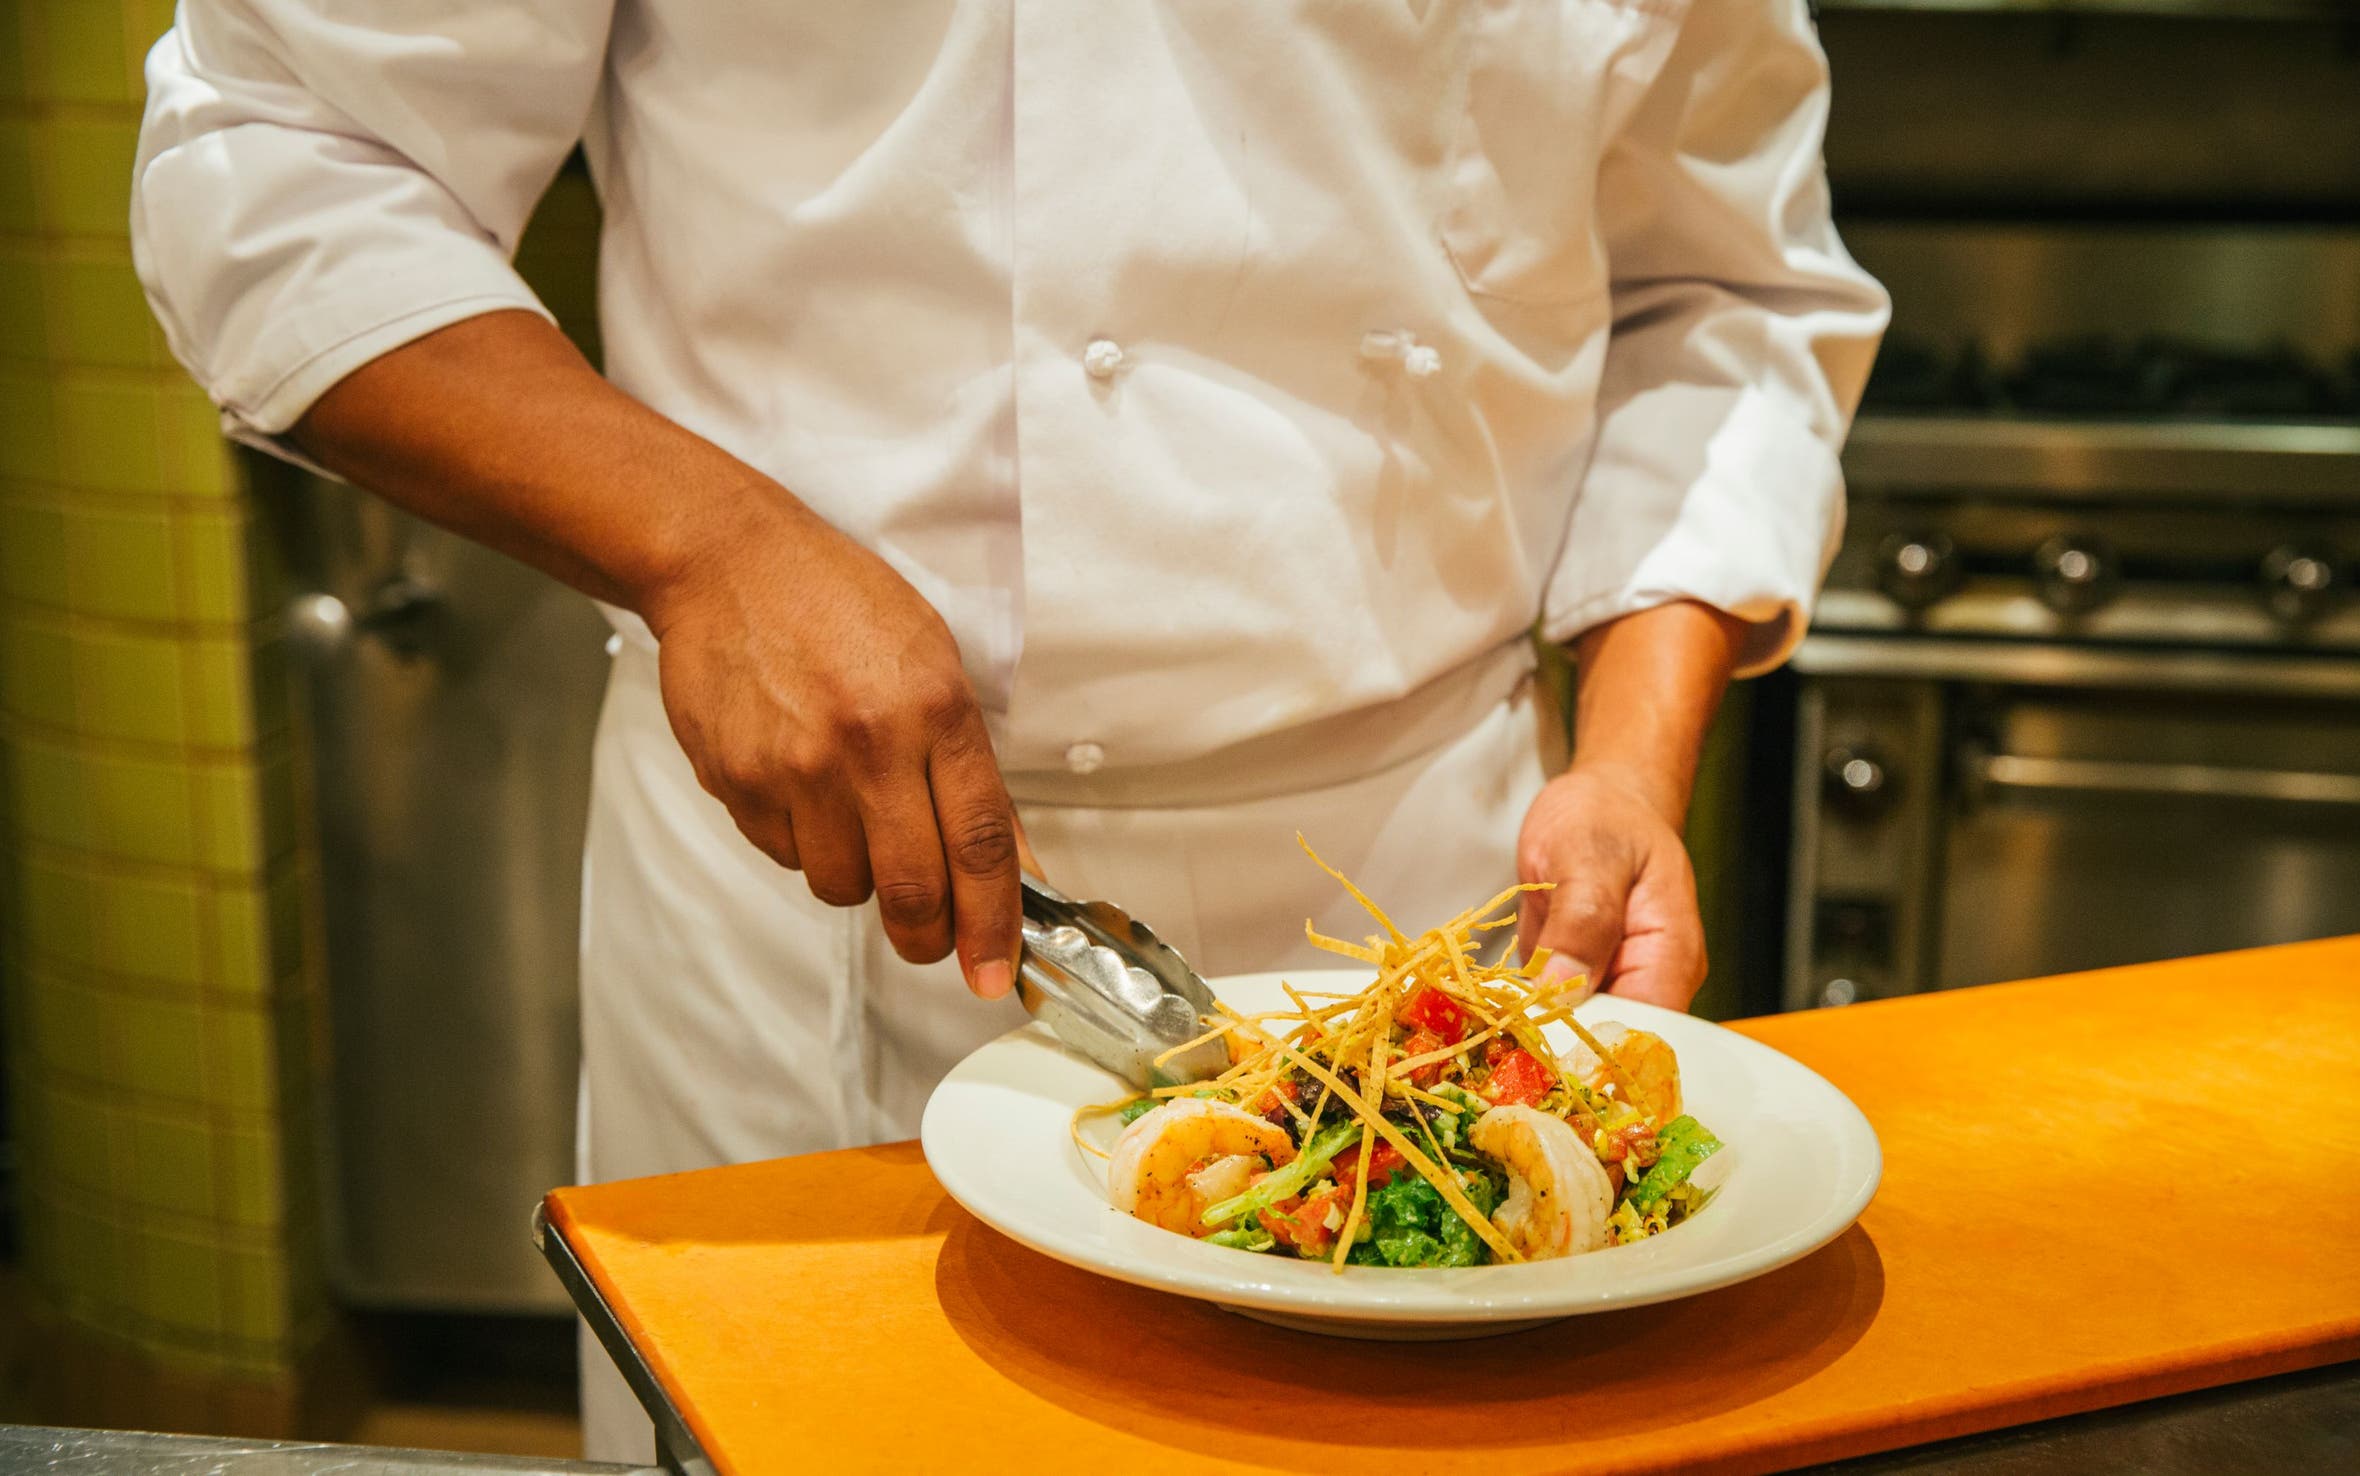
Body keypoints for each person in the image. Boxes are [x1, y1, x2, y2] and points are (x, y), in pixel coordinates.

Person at [133, 0, 1885, 1458]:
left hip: (1436, 893)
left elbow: (1720, 294)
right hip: (820, 908)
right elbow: (283, 160)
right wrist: (708, 542)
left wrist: (1631, 754)